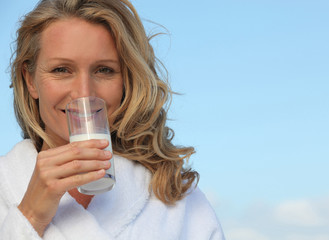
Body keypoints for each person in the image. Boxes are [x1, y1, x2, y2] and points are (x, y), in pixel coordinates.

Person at [0, 0, 225, 239]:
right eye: (61, 70)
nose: (84, 93)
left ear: (126, 81)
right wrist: (30, 217)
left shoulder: (176, 196)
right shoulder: (6, 182)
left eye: (104, 70)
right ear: (30, 80)